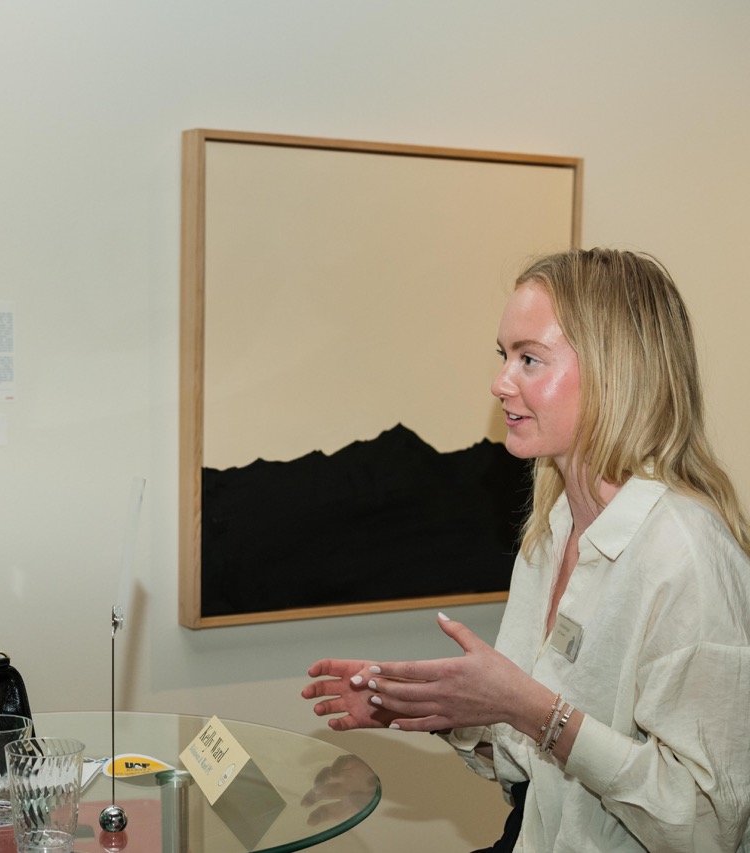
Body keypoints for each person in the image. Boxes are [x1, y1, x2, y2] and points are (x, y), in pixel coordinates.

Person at [301, 248, 750, 851]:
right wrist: (434, 708)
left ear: (616, 372)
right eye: (504, 356)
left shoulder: (687, 556)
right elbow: (524, 765)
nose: (500, 382)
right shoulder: (552, 529)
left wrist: (531, 707)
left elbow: (707, 826)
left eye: (530, 359)